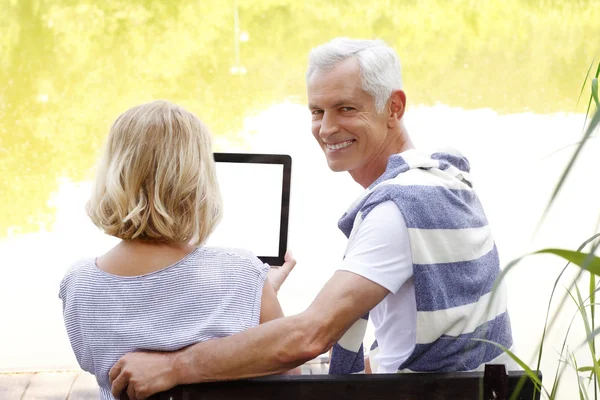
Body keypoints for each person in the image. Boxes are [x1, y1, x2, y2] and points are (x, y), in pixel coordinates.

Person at [109, 38, 514, 400]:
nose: (326, 127)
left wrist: (172, 367)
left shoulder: (396, 209)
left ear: (394, 107)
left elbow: (310, 336)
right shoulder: (444, 181)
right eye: (317, 110)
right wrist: (257, 294)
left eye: (346, 109)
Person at [58, 100, 297, 400]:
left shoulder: (79, 283)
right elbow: (287, 373)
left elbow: (93, 361)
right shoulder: (241, 272)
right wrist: (259, 293)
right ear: (199, 180)